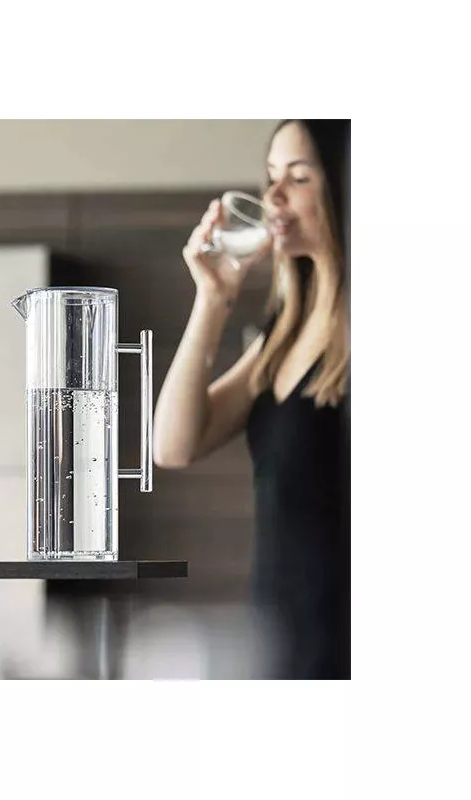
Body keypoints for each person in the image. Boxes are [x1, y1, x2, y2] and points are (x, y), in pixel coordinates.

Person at [153, 119, 350, 679]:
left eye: (299, 177)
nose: (273, 196)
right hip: (277, 637)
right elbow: (173, 445)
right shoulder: (284, 334)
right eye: (270, 177)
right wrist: (212, 298)